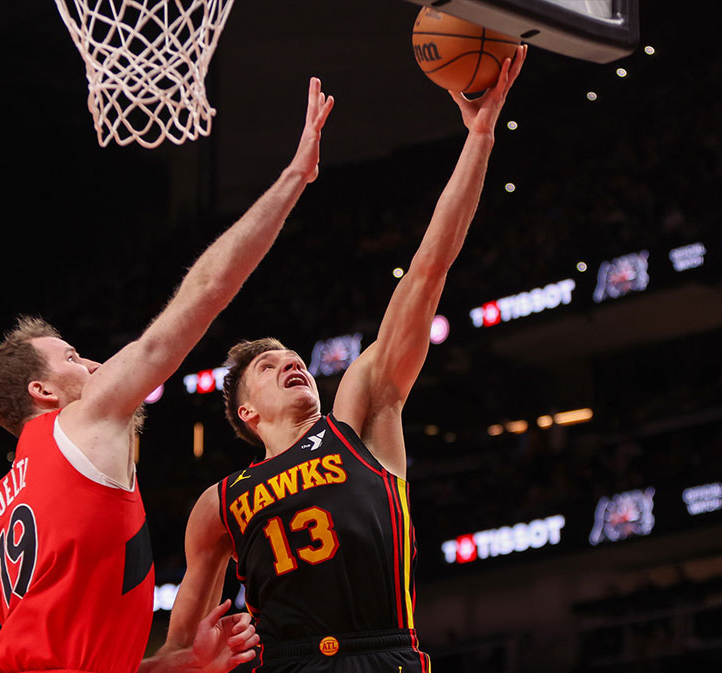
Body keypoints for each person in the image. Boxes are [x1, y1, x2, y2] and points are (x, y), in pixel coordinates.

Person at [163, 48, 527, 672]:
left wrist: (481, 137)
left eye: (293, 356)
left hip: (381, 655)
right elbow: (179, 652)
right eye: (269, 365)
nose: (290, 363)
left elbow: (426, 272)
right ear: (246, 410)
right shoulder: (218, 504)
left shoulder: (358, 415)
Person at [0, 78, 335, 673]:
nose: (91, 364)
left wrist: (179, 665)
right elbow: (205, 292)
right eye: (72, 359)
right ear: (42, 392)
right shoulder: (82, 420)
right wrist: (294, 178)